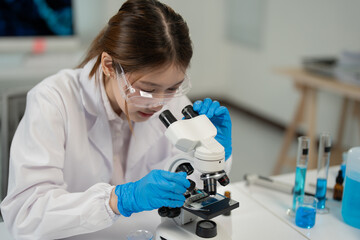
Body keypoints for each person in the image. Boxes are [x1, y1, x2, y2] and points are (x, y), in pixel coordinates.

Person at [0, 0, 232, 239]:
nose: (159, 103)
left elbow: (187, 186)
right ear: (109, 65)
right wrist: (117, 200)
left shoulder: (172, 101)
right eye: (147, 89)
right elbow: (25, 215)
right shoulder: (53, 101)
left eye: (172, 88)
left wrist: (212, 151)